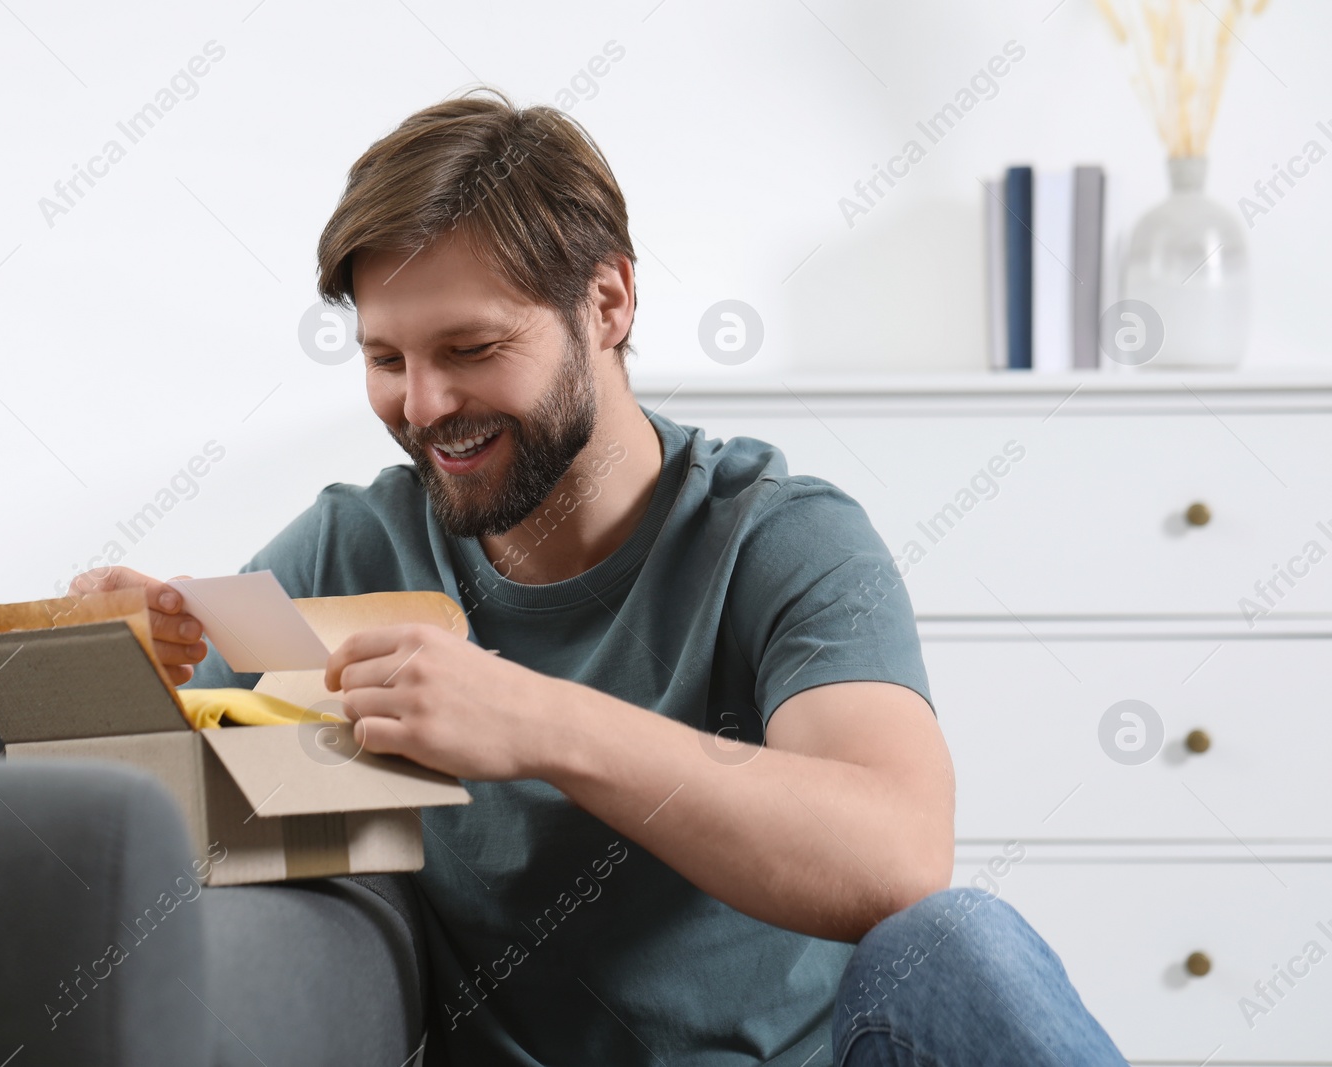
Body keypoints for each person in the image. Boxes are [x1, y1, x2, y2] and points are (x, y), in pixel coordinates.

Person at [68, 88, 1127, 1066]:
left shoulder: (778, 537)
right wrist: (107, 659)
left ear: (608, 301)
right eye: (387, 359)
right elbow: (123, 830)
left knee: (954, 941)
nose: (425, 404)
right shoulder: (351, 549)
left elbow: (894, 855)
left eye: (472, 346)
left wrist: (536, 722)